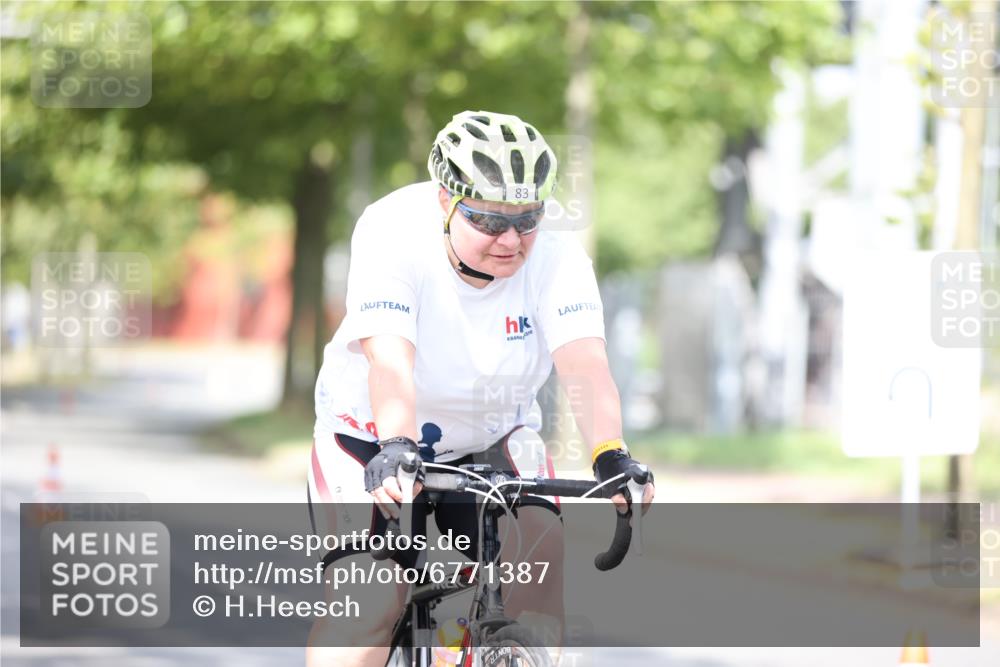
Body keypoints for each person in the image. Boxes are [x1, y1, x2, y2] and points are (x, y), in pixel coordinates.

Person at [306, 110, 654, 667]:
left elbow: (586, 366)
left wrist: (610, 454)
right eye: (489, 221)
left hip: (491, 436)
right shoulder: (392, 229)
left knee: (540, 557)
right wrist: (397, 446)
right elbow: (390, 360)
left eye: (528, 219)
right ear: (446, 200)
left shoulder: (559, 257)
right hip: (371, 434)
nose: (512, 240)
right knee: (370, 598)